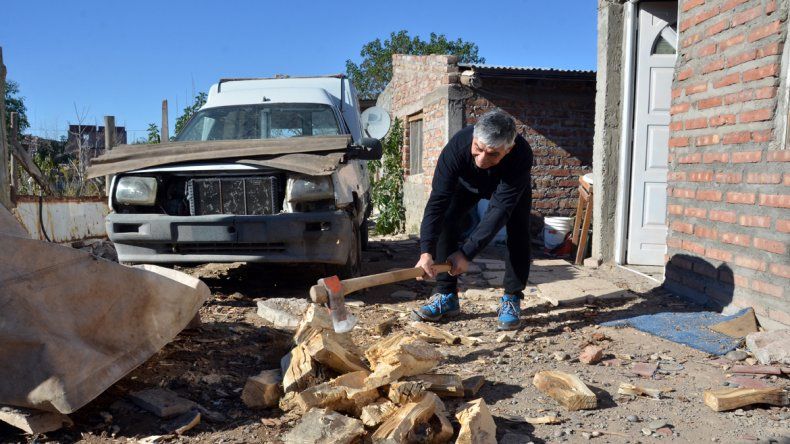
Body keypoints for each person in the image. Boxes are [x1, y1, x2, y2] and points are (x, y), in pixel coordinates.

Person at [412, 109, 533, 331]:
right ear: (474, 138)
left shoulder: (521, 155)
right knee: (448, 219)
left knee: (518, 233)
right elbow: (437, 201)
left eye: (492, 154)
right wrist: (426, 251)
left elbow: (498, 211)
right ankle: (446, 295)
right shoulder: (457, 148)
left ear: (509, 149)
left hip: (507, 187)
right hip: (466, 185)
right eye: (477, 149)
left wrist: (467, 253)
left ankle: (512, 297)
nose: (481, 160)